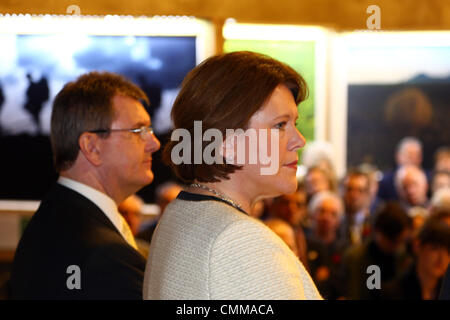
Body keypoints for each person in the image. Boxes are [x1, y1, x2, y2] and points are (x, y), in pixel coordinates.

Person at [143, 51, 322, 300]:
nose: (299, 141)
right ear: (226, 141)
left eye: (295, 124)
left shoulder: (181, 212)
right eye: (280, 125)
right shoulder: (241, 240)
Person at [10, 72, 161, 299]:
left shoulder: (55, 217)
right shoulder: (103, 254)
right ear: (92, 147)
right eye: (139, 131)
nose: (154, 143)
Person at [340, 201, 412, 299]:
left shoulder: (402, 256)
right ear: (380, 234)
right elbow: (355, 294)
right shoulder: (356, 259)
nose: (400, 246)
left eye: (403, 241)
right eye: (396, 242)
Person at [382, 217, 450, 300]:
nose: (442, 258)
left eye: (448, 252)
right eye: (434, 248)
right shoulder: (391, 292)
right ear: (417, 246)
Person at [306, 191, 346, 299]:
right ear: (312, 214)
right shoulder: (302, 244)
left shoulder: (345, 249)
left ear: (339, 220)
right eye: (321, 211)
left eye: (333, 214)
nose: (326, 217)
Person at [378, 137, 428, 202]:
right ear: (398, 156)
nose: (413, 159)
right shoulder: (386, 180)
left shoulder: (428, 177)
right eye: (410, 155)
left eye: (417, 155)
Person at [339, 169, 372, 248]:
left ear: (367, 194)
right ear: (341, 191)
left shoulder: (374, 225)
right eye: (349, 189)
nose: (354, 195)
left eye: (360, 190)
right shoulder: (334, 223)